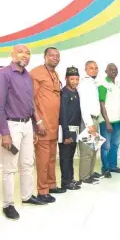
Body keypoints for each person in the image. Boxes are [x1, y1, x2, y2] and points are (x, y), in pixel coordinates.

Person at [0, 45, 46, 220]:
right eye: (21, 52)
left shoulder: (27, 76)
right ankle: (8, 204)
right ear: (11, 55)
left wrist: (35, 125)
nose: (25, 55)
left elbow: (30, 103)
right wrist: (4, 133)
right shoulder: (4, 74)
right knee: (9, 167)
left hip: (27, 125)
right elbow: (0, 106)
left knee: (27, 163)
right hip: (11, 126)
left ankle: (27, 196)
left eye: (28, 53)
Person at [31, 47, 66, 203]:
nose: (55, 58)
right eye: (52, 55)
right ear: (44, 57)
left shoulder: (55, 74)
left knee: (52, 158)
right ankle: (42, 191)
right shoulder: (36, 73)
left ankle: (51, 185)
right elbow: (30, 99)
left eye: (57, 56)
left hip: (54, 125)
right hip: (42, 126)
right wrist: (38, 121)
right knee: (43, 160)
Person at [77, 60, 103, 184]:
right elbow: (83, 106)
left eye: (96, 68)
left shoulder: (93, 83)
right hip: (88, 121)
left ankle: (90, 173)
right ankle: (84, 176)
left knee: (94, 149)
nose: (94, 70)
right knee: (87, 151)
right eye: (91, 68)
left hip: (95, 119)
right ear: (86, 70)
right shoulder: (84, 84)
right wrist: (89, 125)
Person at [98, 63, 120, 178]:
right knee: (106, 146)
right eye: (111, 69)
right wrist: (107, 121)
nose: (113, 71)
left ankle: (113, 166)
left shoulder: (118, 85)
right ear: (106, 71)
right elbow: (102, 104)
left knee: (115, 144)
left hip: (118, 121)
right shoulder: (102, 84)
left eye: (115, 69)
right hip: (106, 122)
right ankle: (105, 168)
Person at [58, 66, 82, 190]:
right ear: (66, 79)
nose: (75, 82)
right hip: (66, 130)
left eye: (77, 79)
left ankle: (70, 178)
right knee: (65, 157)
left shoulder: (75, 92)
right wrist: (66, 134)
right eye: (72, 79)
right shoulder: (64, 93)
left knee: (71, 156)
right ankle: (65, 182)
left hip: (75, 129)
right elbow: (63, 114)